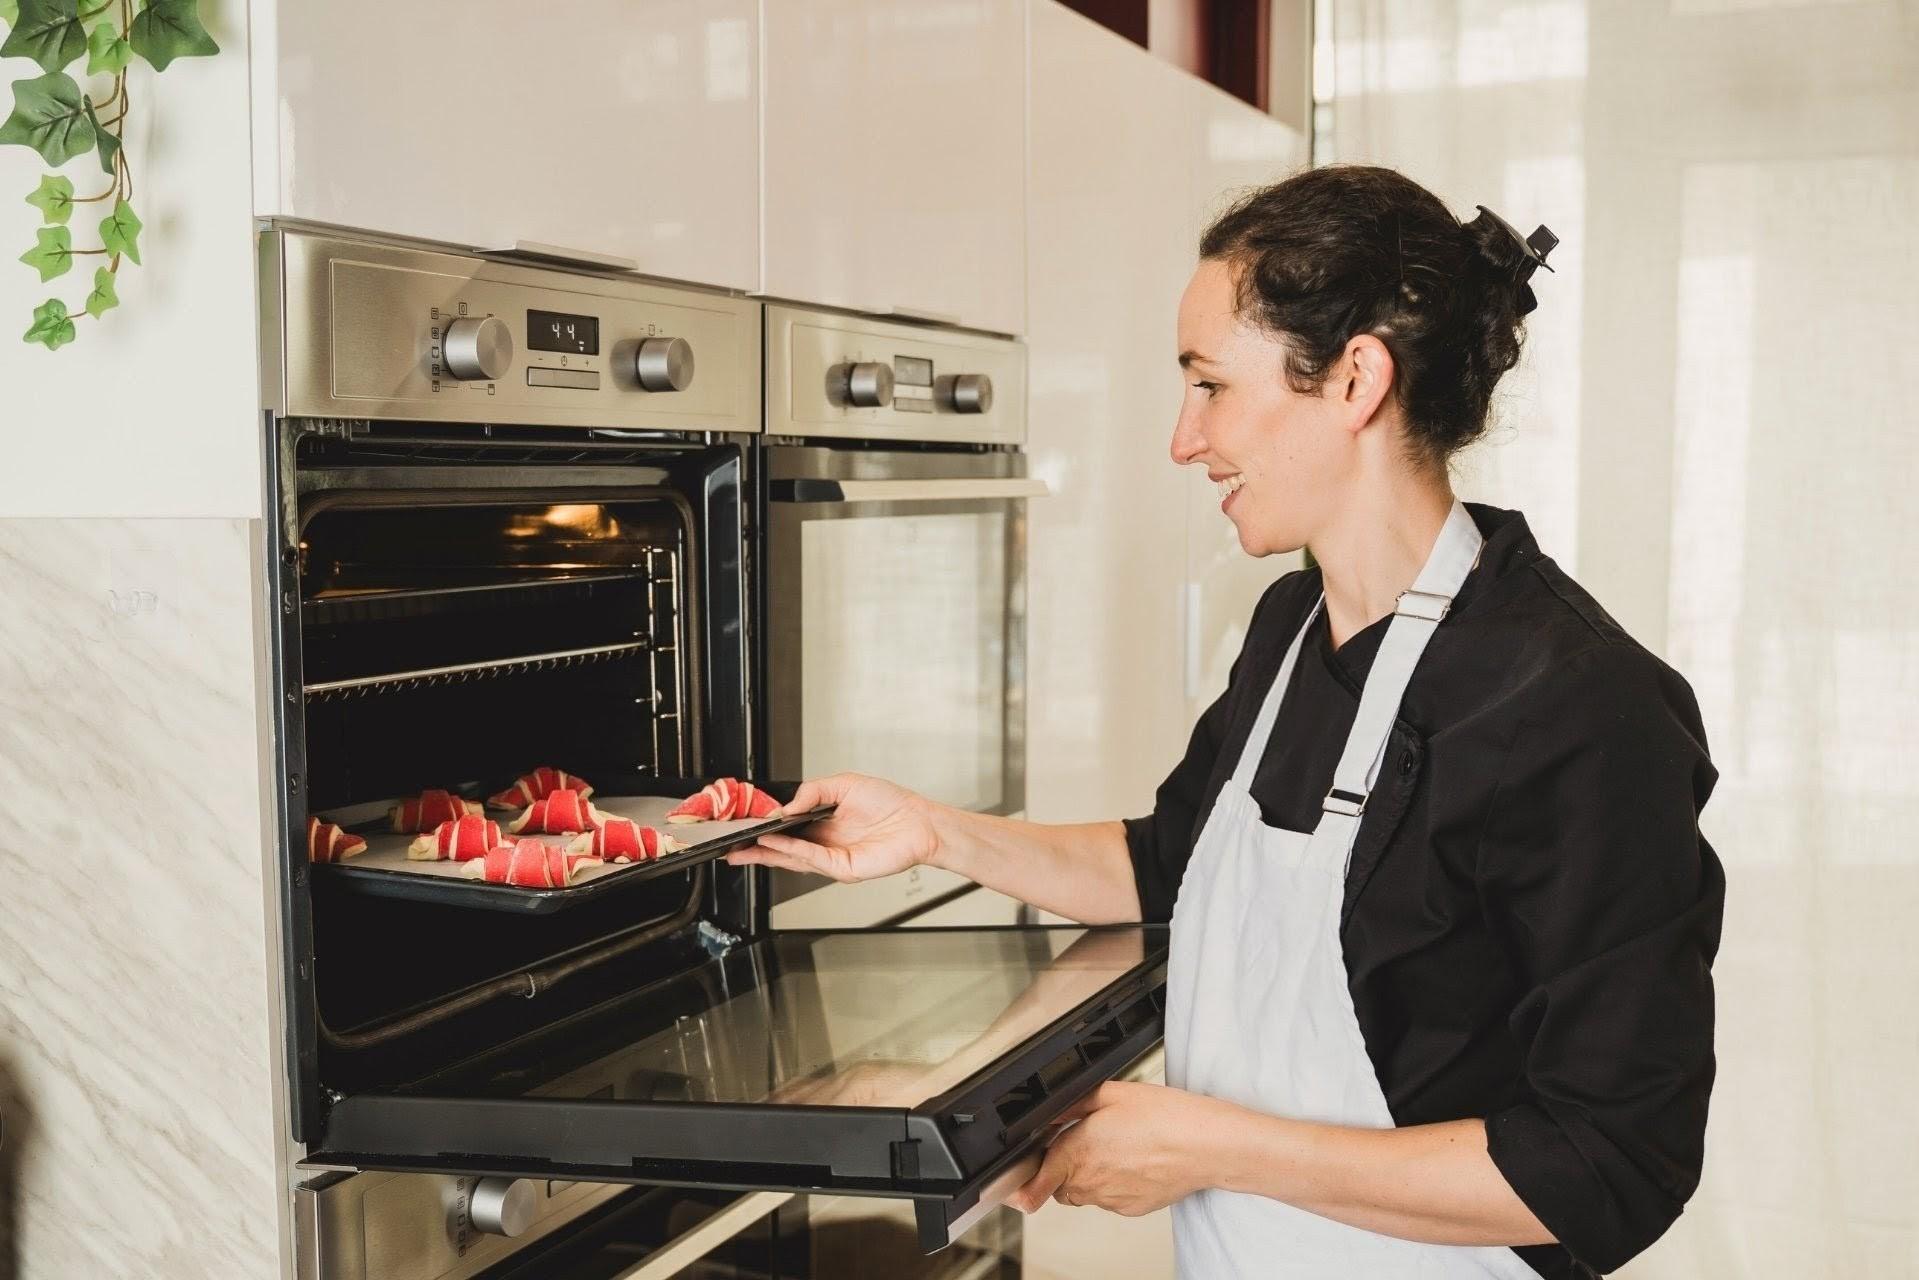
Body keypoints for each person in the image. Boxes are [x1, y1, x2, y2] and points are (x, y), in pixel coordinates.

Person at [728, 165, 1724, 1279]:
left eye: (1207, 384)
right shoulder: (1292, 627)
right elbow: (1168, 863)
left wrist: (1213, 1146)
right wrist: (928, 829)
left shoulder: (1578, 708)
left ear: (1353, 380)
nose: (1180, 438)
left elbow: (1609, 1158)